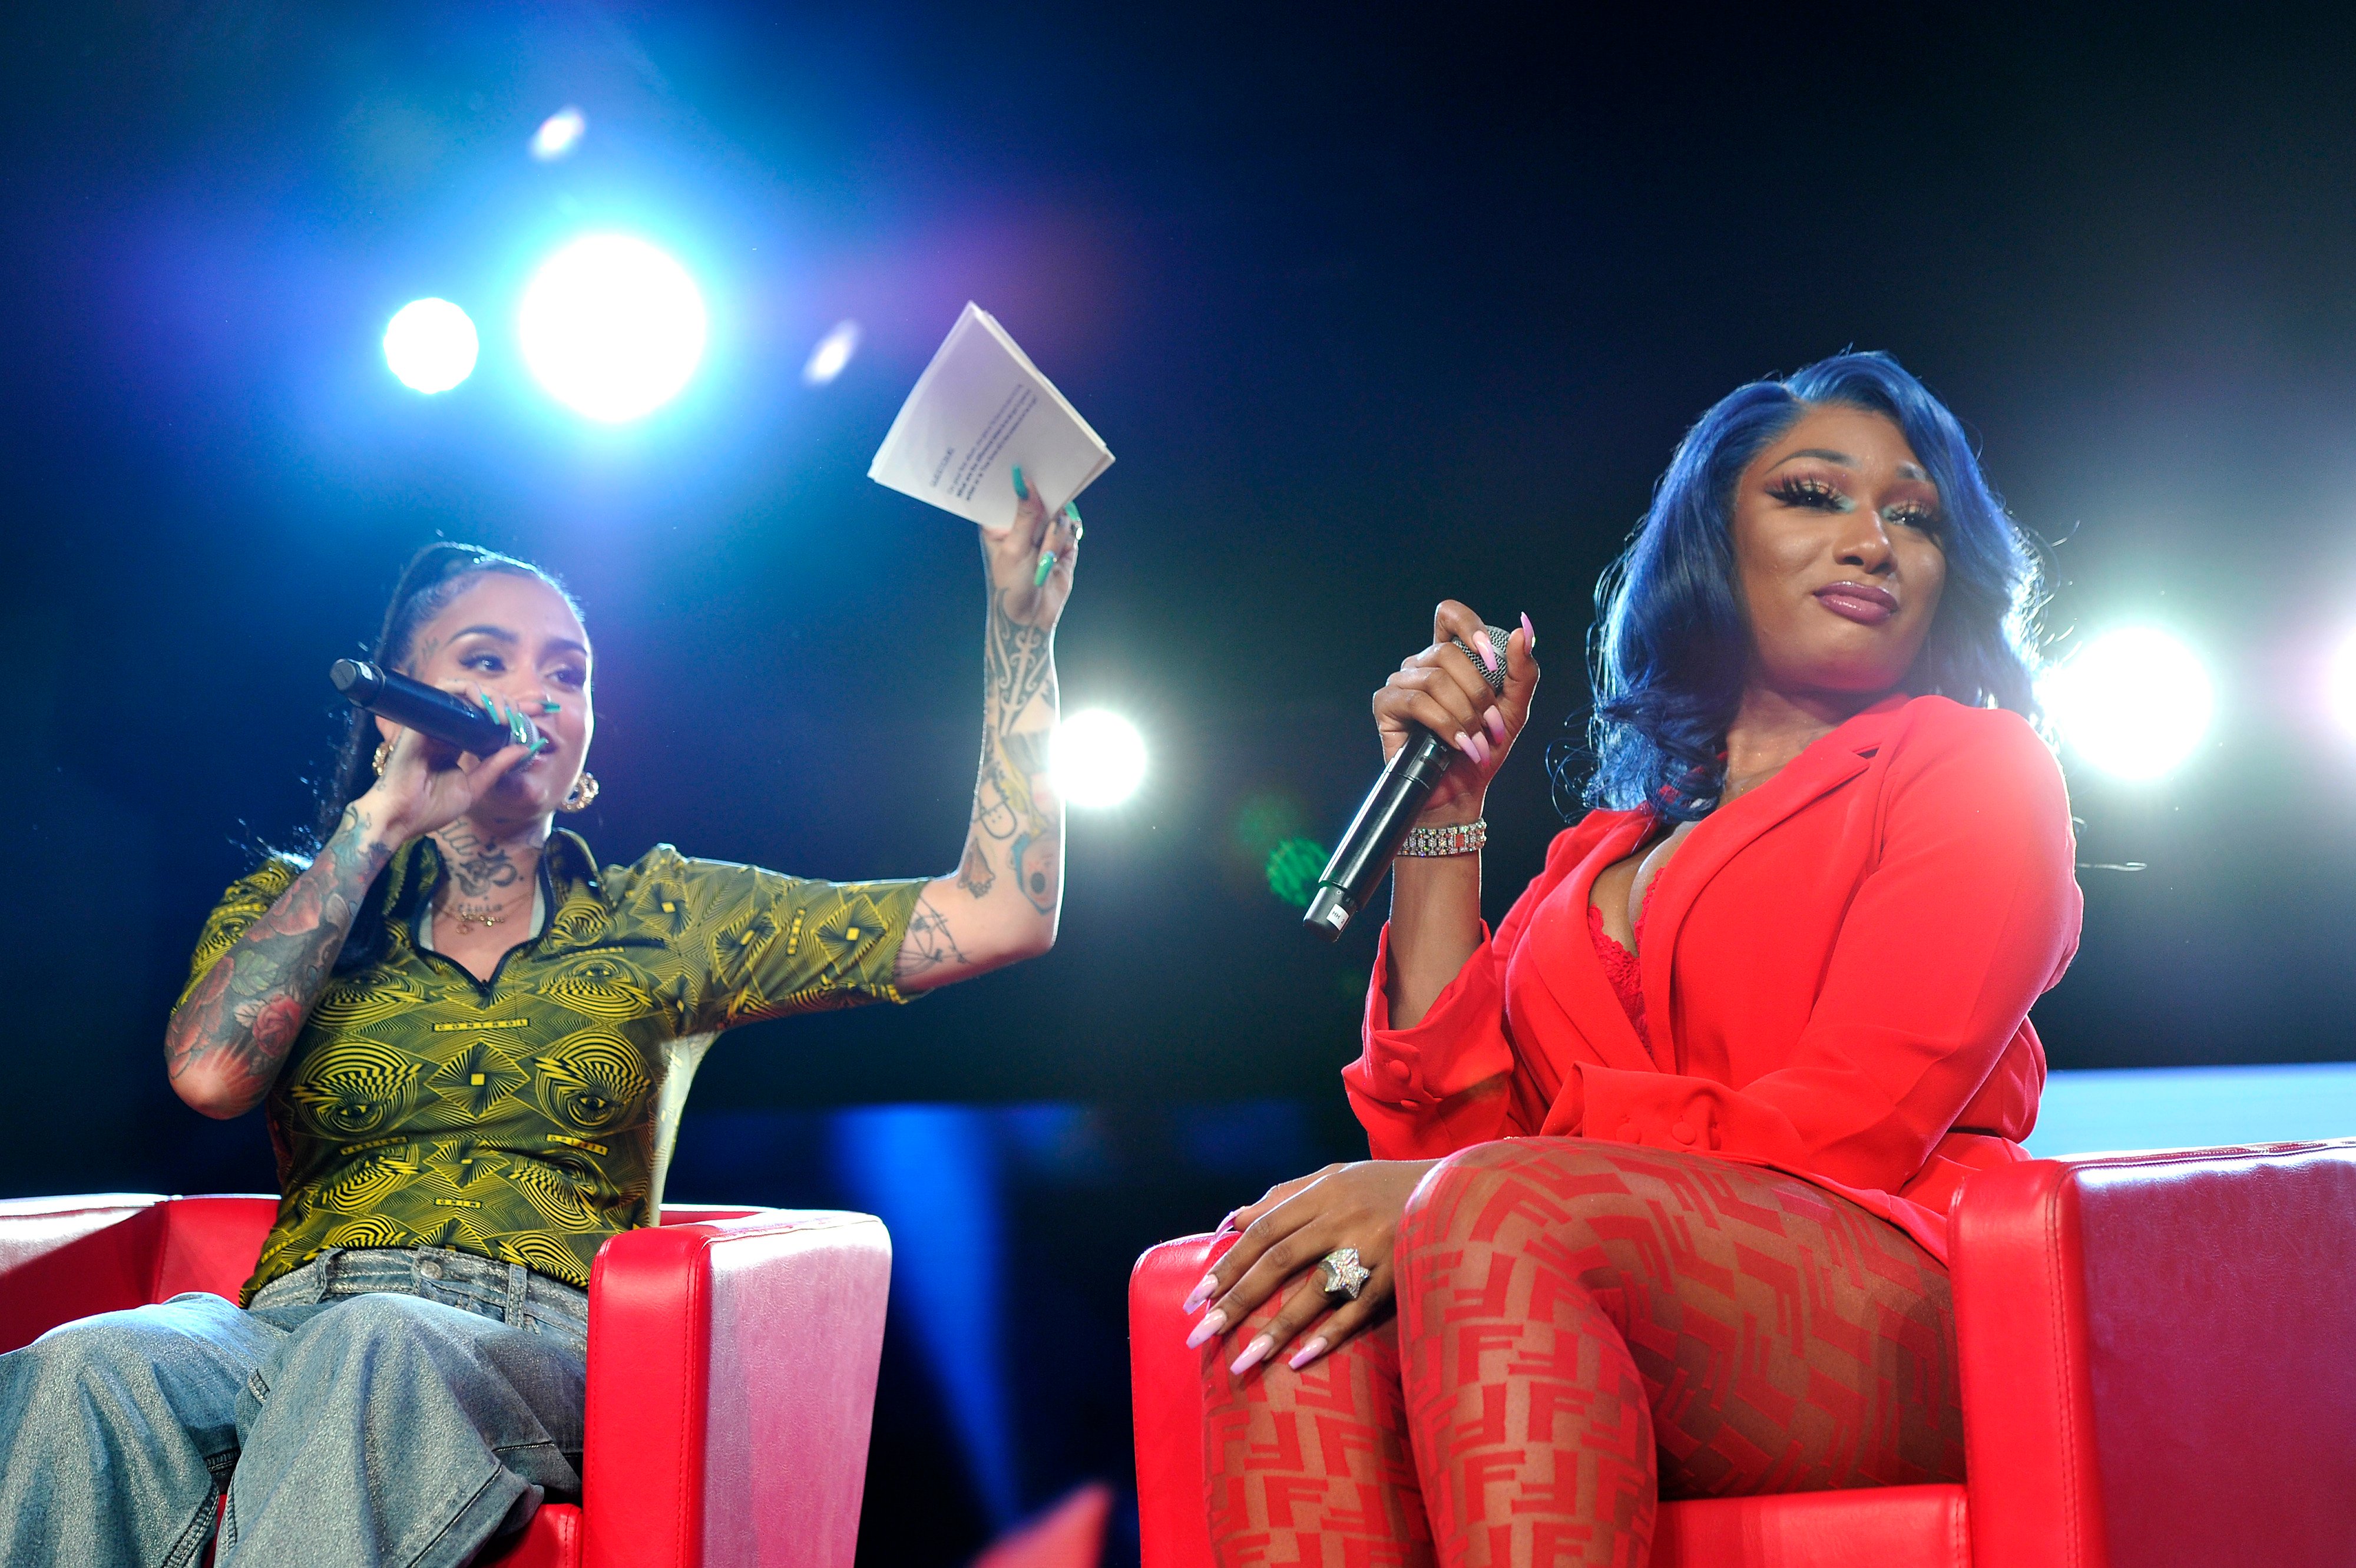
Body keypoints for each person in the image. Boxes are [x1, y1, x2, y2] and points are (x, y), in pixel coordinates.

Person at [0, 475, 1083, 1567]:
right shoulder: (303, 900)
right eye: (486, 661)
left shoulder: (664, 914)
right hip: (282, 1320)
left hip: (528, 1338)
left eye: (567, 673)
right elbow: (209, 1076)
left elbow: (1000, 911)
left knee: (372, 1348)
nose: (535, 692)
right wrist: (374, 828)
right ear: (398, 708)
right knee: (83, 1366)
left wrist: (1021, 634)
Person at [1187, 352, 2081, 1567]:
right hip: (1577, 1282)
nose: (1871, 539)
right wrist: (1445, 813)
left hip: (1895, 1314)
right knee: (1299, 1293)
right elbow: (1439, 1166)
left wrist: (1475, 1187)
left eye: (1913, 516)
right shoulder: (1586, 868)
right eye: (1812, 495)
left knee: (1492, 1213)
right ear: (1709, 540)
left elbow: (1844, 1127)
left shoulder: (1973, 770)